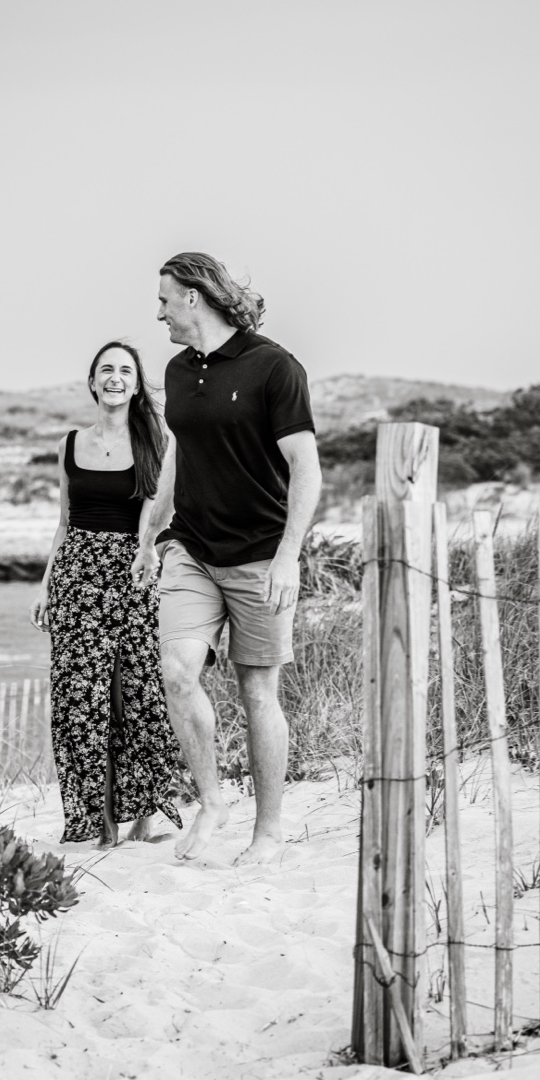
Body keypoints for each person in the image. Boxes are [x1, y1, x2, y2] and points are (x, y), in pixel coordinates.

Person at [131, 251, 322, 866]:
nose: (158, 311)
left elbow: (306, 468)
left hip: (260, 556)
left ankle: (268, 831)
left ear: (194, 297)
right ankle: (212, 799)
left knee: (257, 691)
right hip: (191, 546)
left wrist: (288, 556)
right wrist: (149, 534)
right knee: (177, 672)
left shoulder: (274, 367)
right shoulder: (177, 372)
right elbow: (179, 456)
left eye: (164, 299)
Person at [31, 340, 187, 848]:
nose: (115, 377)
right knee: (79, 699)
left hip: (131, 573)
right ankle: (97, 823)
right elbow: (63, 524)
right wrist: (45, 584)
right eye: (106, 370)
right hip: (76, 576)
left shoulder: (155, 444)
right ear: (93, 382)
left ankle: (142, 817)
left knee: (134, 695)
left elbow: (153, 519)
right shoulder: (69, 443)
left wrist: (147, 555)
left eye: (125, 370)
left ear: (137, 384)